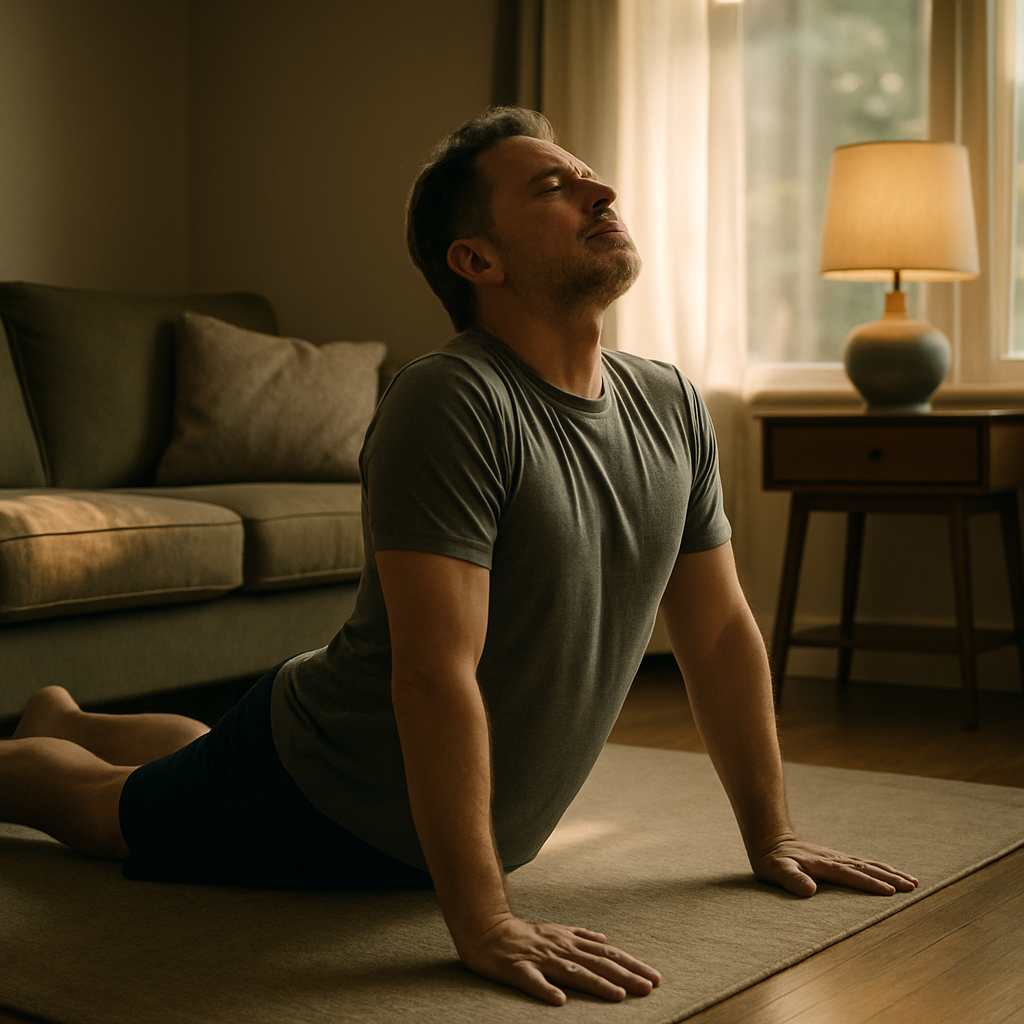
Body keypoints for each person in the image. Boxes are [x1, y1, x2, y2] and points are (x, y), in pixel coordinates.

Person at [0, 107, 918, 1007]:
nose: (598, 189)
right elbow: (434, 674)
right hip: (332, 789)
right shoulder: (450, 400)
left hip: (329, 731)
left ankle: (67, 711)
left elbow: (717, 634)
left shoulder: (669, 400)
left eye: (586, 172)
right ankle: (43, 739)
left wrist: (774, 837)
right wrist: (483, 922)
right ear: (478, 261)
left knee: (194, 768)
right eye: (554, 187)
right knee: (105, 815)